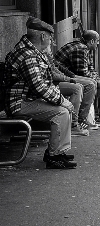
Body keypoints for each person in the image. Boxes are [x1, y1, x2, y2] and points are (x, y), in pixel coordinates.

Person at [4, 18, 77, 169]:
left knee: (63, 110)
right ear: (43, 36)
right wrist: (62, 100)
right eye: (50, 37)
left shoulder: (32, 51)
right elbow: (39, 86)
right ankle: (54, 155)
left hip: (28, 99)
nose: (51, 41)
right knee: (61, 112)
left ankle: (58, 151)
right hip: (20, 103)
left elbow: (45, 82)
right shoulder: (28, 55)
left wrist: (60, 98)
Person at [54, 30, 100, 125]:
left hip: (67, 75)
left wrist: (98, 78)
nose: (98, 44)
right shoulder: (81, 49)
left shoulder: (84, 47)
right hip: (63, 77)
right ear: (92, 41)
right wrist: (97, 80)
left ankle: (97, 114)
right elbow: (82, 72)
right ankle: (82, 119)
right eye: (97, 41)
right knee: (91, 84)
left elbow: (90, 68)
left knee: (97, 82)